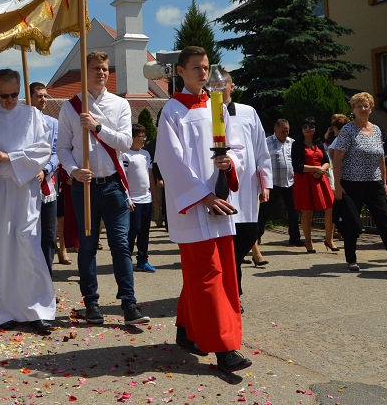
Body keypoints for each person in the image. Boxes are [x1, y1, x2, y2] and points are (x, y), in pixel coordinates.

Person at [155, 46, 251, 373]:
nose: (203, 73)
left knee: (212, 271)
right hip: (195, 206)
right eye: (196, 67)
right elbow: (170, 161)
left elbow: (235, 146)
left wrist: (230, 162)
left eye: (206, 67)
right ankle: (224, 349)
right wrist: (202, 195)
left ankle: (185, 330)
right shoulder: (171, 110)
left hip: (219, 200)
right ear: (180, 71)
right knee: (209, 274)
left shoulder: (215, 105)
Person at [57, 51, 148, 326]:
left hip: (113, 186)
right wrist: (73, 170)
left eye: (105, 68)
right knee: (87, 247)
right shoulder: (69, 107)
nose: (102, 72)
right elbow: (61, 148)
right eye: (96, 68)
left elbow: (124, 142)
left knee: (121, 245)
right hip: (84, 188)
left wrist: (96, 127)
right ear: (86, 72)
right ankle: (91, 303)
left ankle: (129, 304)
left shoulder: (119, 104)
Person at [0, 68, 55, 333]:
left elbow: (43, 149)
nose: (10, 100)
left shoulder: (33, 115)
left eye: (15, 95)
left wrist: (12, 157)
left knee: (28, 246)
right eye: (5, 95)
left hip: (25, 189)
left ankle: (35, 309)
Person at [221, 72, 272, 297]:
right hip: (218, 186)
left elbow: (262, 149)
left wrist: (266, 183)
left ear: (232, 87)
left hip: (247, 186)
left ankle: (230, 288)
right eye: (214, 86)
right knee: (226, 243)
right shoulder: (202, 113)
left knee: (249, 233)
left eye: (223, 85)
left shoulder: (248, 111)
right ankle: (233, 292)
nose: (219, 89)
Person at [332, 92, 387, 272]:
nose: (362, 108)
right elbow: (337, 158)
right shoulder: (347, 130)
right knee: (352, 222)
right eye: (358, 106)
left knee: (385, 221)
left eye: (365, 105)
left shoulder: (376, 130)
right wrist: (337, 185)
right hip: (351, 183)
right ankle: (351, 259)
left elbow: (381, 158)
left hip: (374, 182)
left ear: (370, 108)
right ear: (353, 109)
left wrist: (384, 183)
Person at [291, 117, 335, 253]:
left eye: (310, 126)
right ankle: (309, 242)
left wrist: (322, 169)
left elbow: (327, 161)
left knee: (330, 207)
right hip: (304, 180)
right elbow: (296, 166)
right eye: (304, 126)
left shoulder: (319, 143)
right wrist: (315, 169)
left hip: (320, 179)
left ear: (315, 128)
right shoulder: (297, 144)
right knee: (307, 211)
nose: (307, 129)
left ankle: (329, 239)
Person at [257, 120, 303, 246]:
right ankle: (256, 236)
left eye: (287, 130)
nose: (285, 133)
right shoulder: (267, 143)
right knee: (265, 211)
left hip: (289, 182)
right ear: (275, 130)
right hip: (273, 183)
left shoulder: (292, 143)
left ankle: (294, 238)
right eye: (283, 131)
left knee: (294, 211)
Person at [29, 82, 60, 275]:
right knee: (29, 233)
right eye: (39, 96)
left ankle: (47, 280)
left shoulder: (53, 123)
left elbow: (56, 152)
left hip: (47, 185)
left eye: (45, 96)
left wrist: (45, 170)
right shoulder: (21, 121)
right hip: (26, 183)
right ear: (29, 97)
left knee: (49, 235)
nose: (43, 100)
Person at [123, 124, 157, 272]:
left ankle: (143, 260)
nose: (144, 139)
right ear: (132, 138)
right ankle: (125, 260)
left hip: (146, 200)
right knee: (133, 230)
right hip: (133, 201)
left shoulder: (146, 154)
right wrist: (128, 199)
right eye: (141, 136)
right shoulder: (125, 154)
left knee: (144, 231)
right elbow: (122, 178)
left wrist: (154, 198)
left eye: (144, 136)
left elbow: (150, 176)